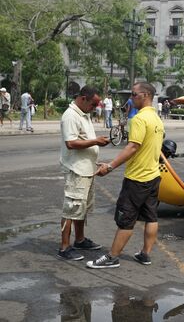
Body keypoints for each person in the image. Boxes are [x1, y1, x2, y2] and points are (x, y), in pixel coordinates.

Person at [87, 81, 164, 269]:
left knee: (126, 219)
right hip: (153, 177)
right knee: (151, 217)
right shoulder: (157, 119)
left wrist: (110, 166)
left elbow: (132, 147)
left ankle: (112, 257)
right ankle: (145, 254)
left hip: (137, 179)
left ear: (145, 95)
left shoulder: (139, 119)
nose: (131, 98)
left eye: (134, 94)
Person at [58, 85, 110, 261]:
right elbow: (71, 143)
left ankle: (79, 239)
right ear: (83, 99)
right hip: (76, 170)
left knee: (82, 208)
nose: (94, 108)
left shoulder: (84, 114)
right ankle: (64, 247)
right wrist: (96, 141)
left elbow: (83, 141)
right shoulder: (71, 116)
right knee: (71, 208)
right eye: (93, 104)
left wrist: (95, 157)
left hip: (87, 168)